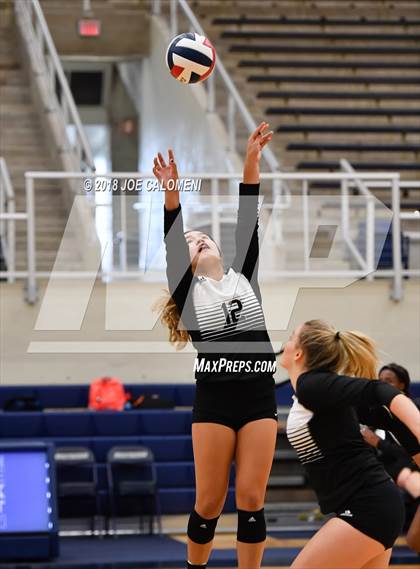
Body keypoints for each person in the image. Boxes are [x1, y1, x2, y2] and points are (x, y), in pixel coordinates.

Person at [153, 123, 278, 569]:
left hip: (260, 397)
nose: (199, 237)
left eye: (203, 235)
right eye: (191, 240)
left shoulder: (245, 277)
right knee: (209, 501)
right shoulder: (189, 297)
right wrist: (172, 199)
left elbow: (249, 217)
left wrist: (251, 161)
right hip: (216, 400)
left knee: (250, 496)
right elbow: (172, 245)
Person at [279, 319, 420, 569]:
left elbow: (380, 392)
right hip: (376, 506)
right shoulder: (320, 393)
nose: (285, 343)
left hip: (368, 507)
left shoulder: (312, 385)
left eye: (291, 338)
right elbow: (391, 421)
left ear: (299, 352)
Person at [360, 362, 420, 554]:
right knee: (414, 540)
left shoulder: (412, 410)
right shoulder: (374, 413)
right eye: (380, 381)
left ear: (402, 385)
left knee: (408, 476)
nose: (383, 385)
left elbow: (405, 452)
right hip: (385, 470)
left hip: (407, 468)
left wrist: (378, 442)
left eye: (389, 381)